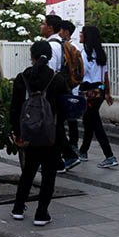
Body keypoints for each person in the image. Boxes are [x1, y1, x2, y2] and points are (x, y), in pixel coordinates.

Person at [10, 40, 69, 226]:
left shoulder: (22, 77)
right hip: (52, 136)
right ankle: (41, 214)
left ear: (32, 56)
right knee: (49, 175)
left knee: (28, 171)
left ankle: (18, 208)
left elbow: (15, 108)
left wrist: (17, 132)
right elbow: (65, 109)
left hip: (29, 133)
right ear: (49, 56)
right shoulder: (57, 79)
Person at [41, 14, 80, 173]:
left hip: (52, 92)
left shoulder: (51, 46)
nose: (42, 26)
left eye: (43, 24)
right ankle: (63, 159)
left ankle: (63, 160)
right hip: (61, 91)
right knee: (55, 127)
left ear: (50, 27)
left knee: (53, 127)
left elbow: (48, 72)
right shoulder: (61, 44)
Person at [78, 26, 118, 168]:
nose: (80, 34)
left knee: (95, 123)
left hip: (89, 93)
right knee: (89, 121)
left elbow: (81, 75)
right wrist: (107, 92)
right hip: (99, 92)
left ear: (87, 36)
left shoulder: (84, 54)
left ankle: (109, 156)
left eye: (82, 32)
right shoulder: (100, 54)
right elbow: (105, 75)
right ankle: (83, 151)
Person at [59, 20, 81, 152]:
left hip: (70, 87)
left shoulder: (72, 48)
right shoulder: (66, 46)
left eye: (60, 30)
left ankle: (73, 144)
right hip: (69, 87)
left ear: (66, 32)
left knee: (70, 118)